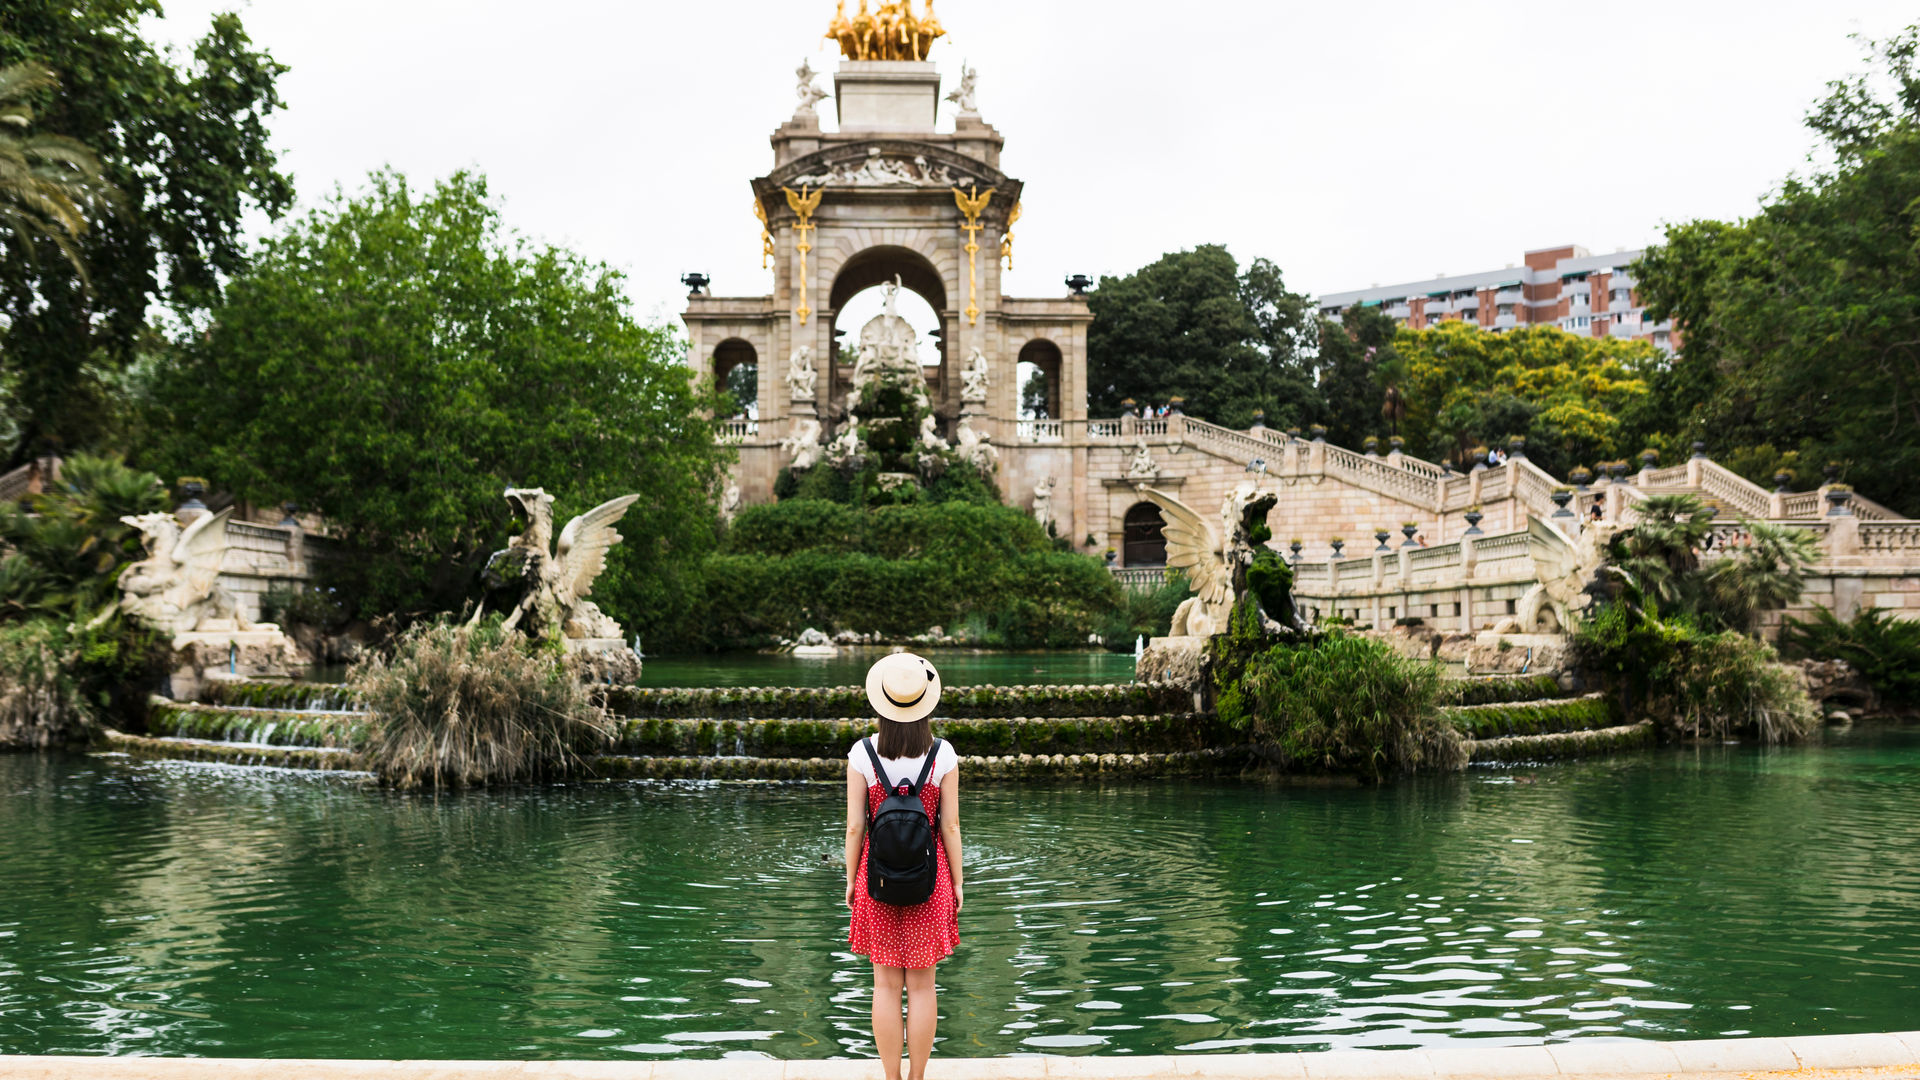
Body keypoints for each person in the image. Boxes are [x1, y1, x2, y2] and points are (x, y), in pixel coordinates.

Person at [846, 652, 963, 1080]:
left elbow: (855, 827)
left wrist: (849, 880)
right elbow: (949, 825)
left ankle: (891, 1077)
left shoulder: (861, 754)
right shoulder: (943, 754)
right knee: (922, 986)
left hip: (874, 880)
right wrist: (959, 883)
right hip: (931, 882)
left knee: (885, 986)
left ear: (881, 703)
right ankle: (917, 1077)